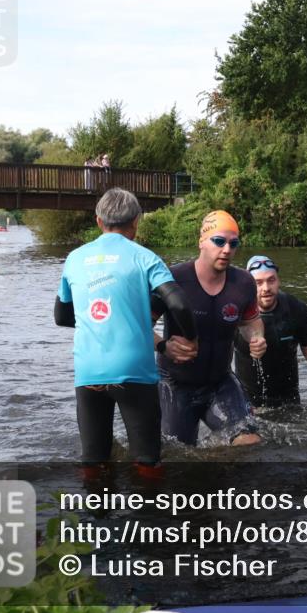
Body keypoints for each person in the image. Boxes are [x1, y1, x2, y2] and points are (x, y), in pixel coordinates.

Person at [55, 188, 197, 473]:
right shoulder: (145, 257)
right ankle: (147, 513)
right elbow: (179, 304)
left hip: (89, 370)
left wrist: (97, 322)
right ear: (136, 221)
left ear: (98, 221)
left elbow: (61, 317)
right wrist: (191, 339)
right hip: (134, 371)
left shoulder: (74, 258)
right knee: (147, 459)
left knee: (93, 460)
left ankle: (95, 513)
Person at [154, 210, 266, 447]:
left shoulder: (244, 282)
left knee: (250, 442)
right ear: (202, 242)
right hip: (176, 383)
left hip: (220, 381)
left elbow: (251, 321)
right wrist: (163, 346)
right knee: (178, 454)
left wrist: (257, 337)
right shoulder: (173, 278)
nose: (227, 249)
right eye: (219, 241)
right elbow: (139, 327)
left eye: (233, 243)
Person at [233, 255, 307, 408]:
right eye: (258, 283)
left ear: (279, 281)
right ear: (248, 286)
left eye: (271, 280)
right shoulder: (235, 312)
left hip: (289, 401)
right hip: (248, 403)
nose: (266, 288)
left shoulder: (296, 309)